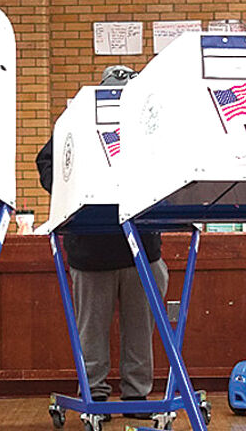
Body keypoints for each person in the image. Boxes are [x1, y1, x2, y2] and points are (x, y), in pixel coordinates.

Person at [35, 65, 167, 412]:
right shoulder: (77, 119)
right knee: (93, 332)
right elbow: (48, 166)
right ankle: (95, 395)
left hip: (139, 248)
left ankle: (134, 396)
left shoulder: (149, 121)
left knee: (135, 330)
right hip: (94, 249)